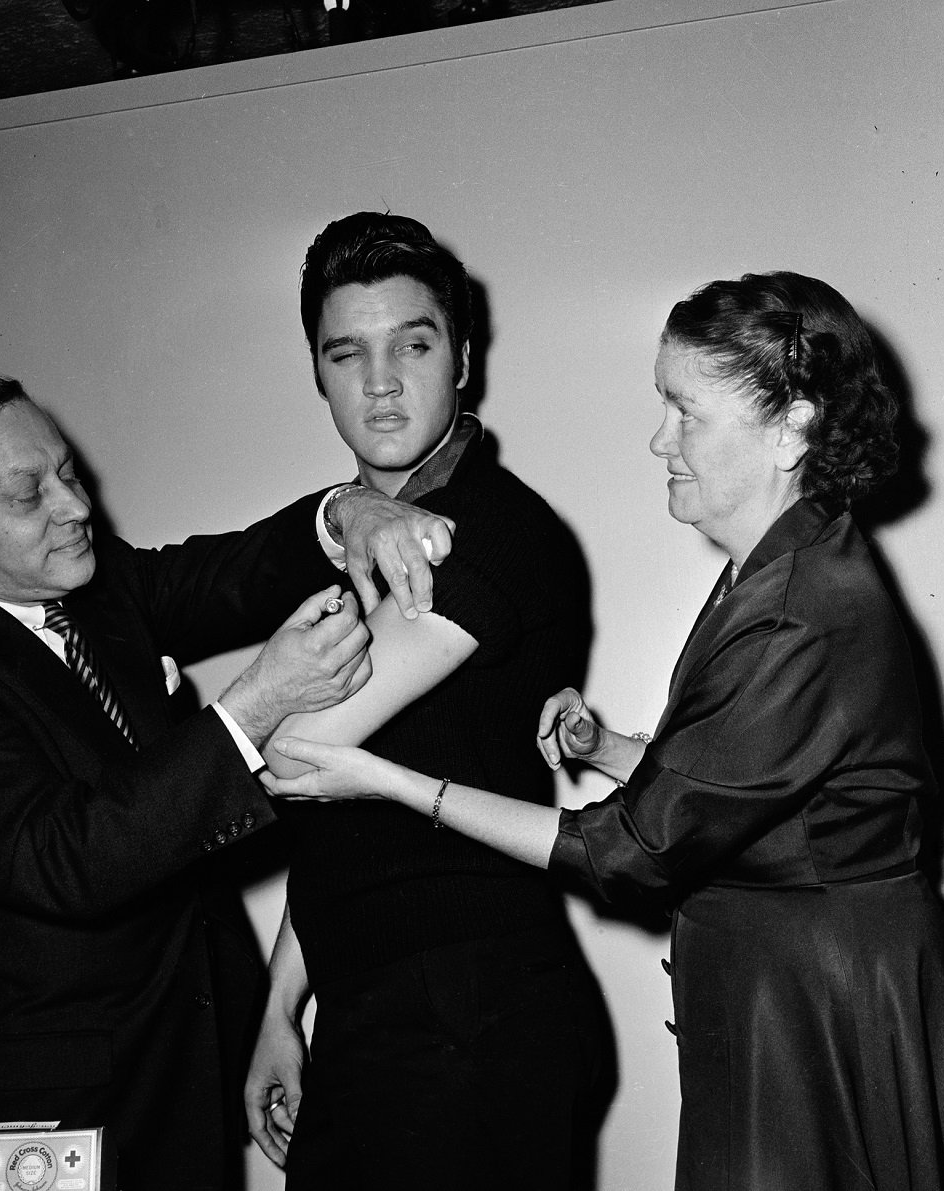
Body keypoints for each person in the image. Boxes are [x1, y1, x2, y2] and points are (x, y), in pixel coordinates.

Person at [265, 272, 944, 1190]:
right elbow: (753, 795)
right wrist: (608, 749)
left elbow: (632, 852)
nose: (660, 440)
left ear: (792, 427)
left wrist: (390, 779)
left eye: (686, 412)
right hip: (787, 988)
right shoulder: (775, 566)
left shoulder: (800, 605)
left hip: (822, 1006)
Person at [0, 367, 451, 1191]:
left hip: (184, 1072)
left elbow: (233, 571)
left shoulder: (102, 590)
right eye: (30, 494)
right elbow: (70, 856)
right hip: (48, 1112)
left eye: (69, 472)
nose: (75, 507)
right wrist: (258, 702)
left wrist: (349, 508)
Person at [243, 213, 611, 1190]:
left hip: (474, 1007)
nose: (380, 381)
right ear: (318, 373)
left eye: (413, 343)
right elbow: (329, 819)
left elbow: (295, 755)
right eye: (345, 352)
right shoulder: (354, 556)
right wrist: (282, 1007)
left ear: (463, 357)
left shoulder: (496, 529)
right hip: (374, 1005)